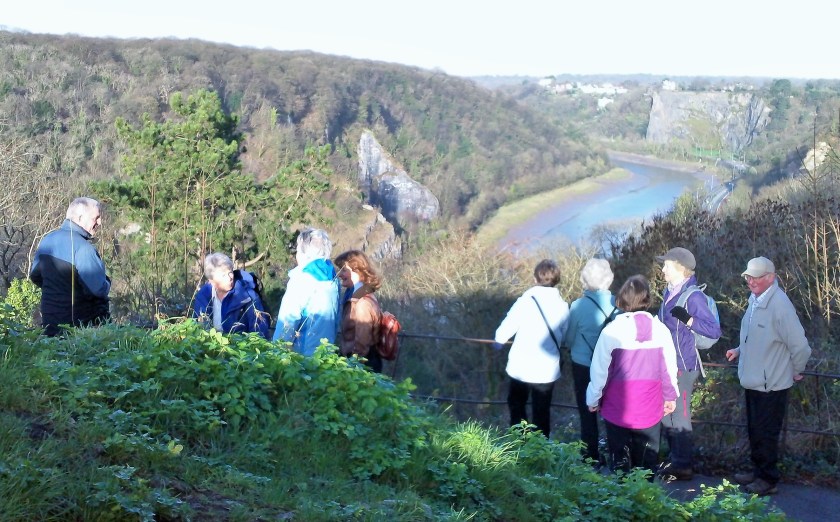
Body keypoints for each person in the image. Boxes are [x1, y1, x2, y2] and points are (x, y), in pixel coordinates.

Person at [725, 257, 811, 496]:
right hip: (754, 379)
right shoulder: (755, 300)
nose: (751, 281)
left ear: (771, 277)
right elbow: (758, 336)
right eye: (748, 277)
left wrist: (796, 370)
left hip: (771, 383)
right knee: (755, 430)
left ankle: (768, 479)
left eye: (756, 277)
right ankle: (758, 472)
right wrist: (739, 350)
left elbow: (800, 346)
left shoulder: (780, 305)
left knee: (766, 432)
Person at [587, 275, 679, 478]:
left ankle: (622, 505)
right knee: (647, 465)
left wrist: (593, 399)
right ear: (647, 299)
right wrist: (670, 397)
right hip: (650, 408)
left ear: (621, 299)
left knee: (620, 465)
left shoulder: (611, 331)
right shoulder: (661, 330)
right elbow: (669, 368)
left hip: (617, 409)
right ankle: (646, 503)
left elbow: (599, 372)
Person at [655, 247, 721, 480]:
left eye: (667, 265)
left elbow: (714, 330)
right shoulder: (669, 292)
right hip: (668, 366)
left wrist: (690, 319)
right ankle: (675, 460)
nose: (662, 269)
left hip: (684, 366)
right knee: (667, 413)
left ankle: (683, 466)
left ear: (680, 269)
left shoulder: (693, 296)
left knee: (680, 415)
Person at [493, 259, 570, 438]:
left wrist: (498, 341)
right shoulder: (562, 306)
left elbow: (508, 326)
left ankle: (519, 442)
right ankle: (540, 450)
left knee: (516, 403)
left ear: (535, 278)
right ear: (556, 280)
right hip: (546, 369)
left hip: (521, 365)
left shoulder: (525, 301)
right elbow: (566, 336)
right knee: (542, 410)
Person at [562, 258, 618, 465]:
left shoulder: (577, 306)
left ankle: (591, 456)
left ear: (585, 279)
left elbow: (568, 338)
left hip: (583, 365)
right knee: (613, 409)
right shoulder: (617, 304)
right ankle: (617, 455)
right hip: (611, 366)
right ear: (609, 279)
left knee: (587, 411)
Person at [30, 197, 110, 337]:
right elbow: (98, 290)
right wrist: (108, 281)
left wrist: (59, 291)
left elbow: (35, 276)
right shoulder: (84, 249)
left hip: (50, 326)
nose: (100, 222)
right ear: (80, 217)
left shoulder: (47, 241)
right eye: (96, 218)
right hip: (80, 332)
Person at [272, 228, 339, 355]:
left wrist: (276, 352)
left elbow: (288, 320)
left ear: (305, 253)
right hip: (325, 354)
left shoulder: (302, 279)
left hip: (301, 356)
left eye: (298, 250)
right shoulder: (332, 279)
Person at [192, 253, 270, 339]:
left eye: (230, 272)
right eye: (223, 275)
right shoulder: (202, 297)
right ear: (211, 281)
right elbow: (197, 329)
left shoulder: (248, 296)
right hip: (210, 350)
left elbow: (260, 333)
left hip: (242, 350)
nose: (230, 277)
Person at [334, 250, 384, 372]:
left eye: (344, 270)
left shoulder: (362, 303)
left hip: (360, 368)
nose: (340, 274)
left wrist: (350, 367)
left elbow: (362, 346)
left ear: (357, 271)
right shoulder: (357, 296)